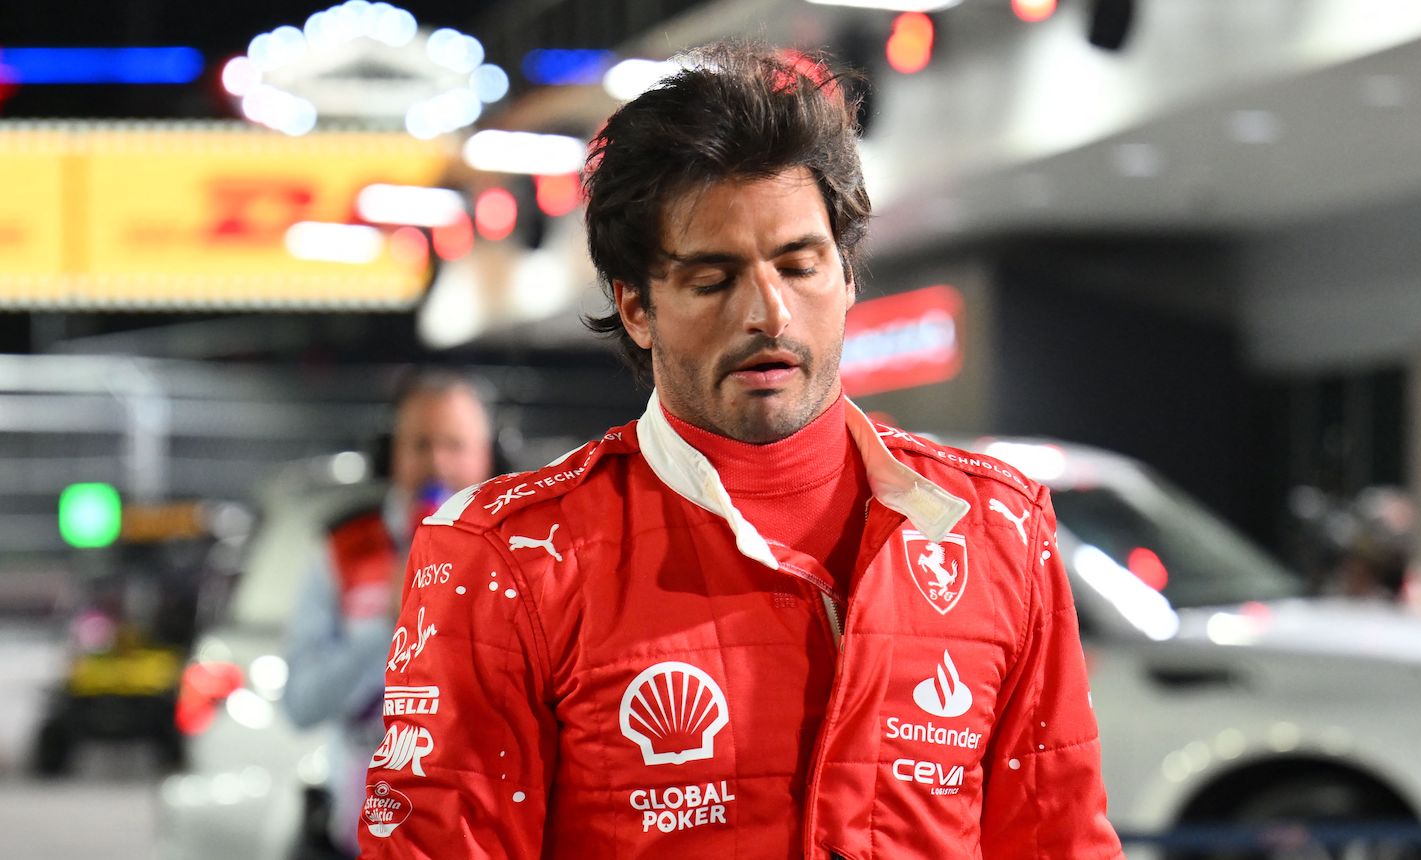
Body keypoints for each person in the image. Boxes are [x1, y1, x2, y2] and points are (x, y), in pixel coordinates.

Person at [359, 42, 1122, 858]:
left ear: (848, 274)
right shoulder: (505, 557)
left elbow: (1059, 839)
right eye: (713, 280)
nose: (770, 313)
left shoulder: (997, 525)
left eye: (799, 265)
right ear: (637, 307)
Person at [283, 370, 496, 859]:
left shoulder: (524, 551)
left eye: (455, 444)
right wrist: (390, 627)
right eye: (420, 444)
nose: (438, 462)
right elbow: (299, 705)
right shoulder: (343, 552)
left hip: (480, 827)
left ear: (488, 455)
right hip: (362, 829)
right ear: (392, 453)